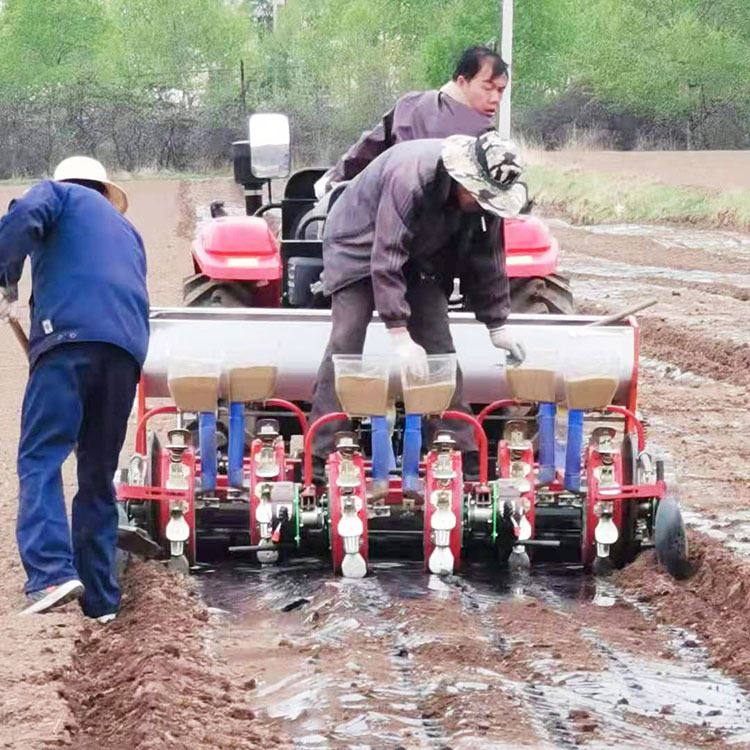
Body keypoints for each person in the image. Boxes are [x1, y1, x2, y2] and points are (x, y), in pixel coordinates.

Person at [309, 131, 527, 478]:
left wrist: (497, 324)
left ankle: (454, 443)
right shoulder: (413, 177)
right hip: (358, 241)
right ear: (462, 176)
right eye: (479, 193)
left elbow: (489, 260)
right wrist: (398, 332)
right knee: (347, 338)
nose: (483, 202)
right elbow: (386, 255)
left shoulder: (483, 205)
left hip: (421, 253)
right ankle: (324, 447)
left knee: (438, 341)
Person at [0, 156, 150, 620]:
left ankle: (50, 574)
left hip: (66, 341)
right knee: (97, 474)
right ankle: (102, 601)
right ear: (106, 193)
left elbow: (22, 217)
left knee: (41, 455)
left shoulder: (56, 193)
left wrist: (6, 277)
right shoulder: (130, 234)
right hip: (125, 355)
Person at [317, 45, 509, 196]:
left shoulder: (410, 105)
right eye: (487, 87)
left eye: (500, 90)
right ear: (461, 82)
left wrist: (330, 182)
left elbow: (365, 151)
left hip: (388, 228)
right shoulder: (485, 137)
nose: (495, 98)